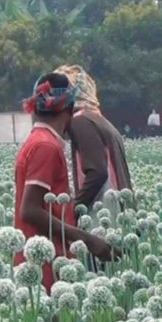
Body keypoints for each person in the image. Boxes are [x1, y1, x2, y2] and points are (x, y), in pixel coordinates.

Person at [15, 73, 119, 292]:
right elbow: (30, 210)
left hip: (46, 256)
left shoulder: (40, 141)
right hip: (45, 262)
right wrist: (87, 239)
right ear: (70, 109)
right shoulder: (46, 146)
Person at [54, 64, 133, 213]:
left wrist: (75, 207)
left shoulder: (80, 120)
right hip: (118, 206)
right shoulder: (97, 118)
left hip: (104, 209)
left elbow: (98, 172)